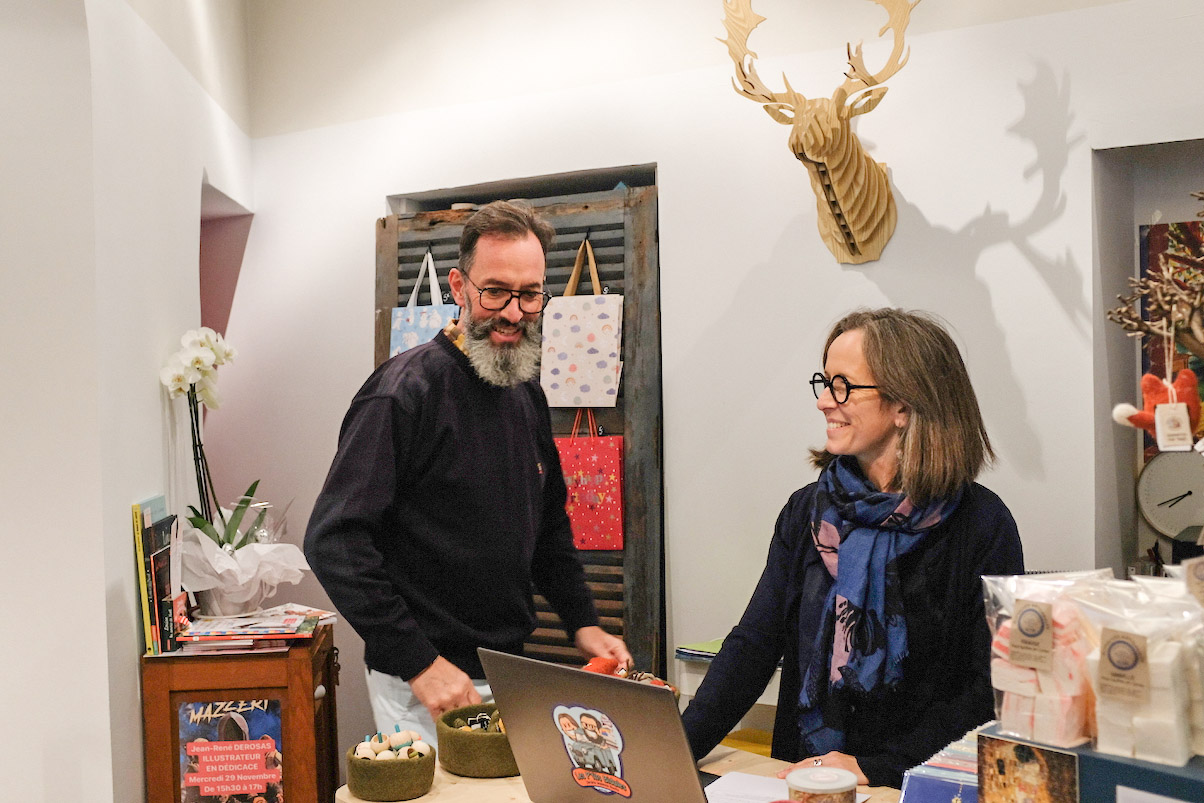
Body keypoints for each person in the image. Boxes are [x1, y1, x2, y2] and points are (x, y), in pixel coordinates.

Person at [304, 200, 630, 744]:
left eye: (530, 295)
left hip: (506, 668)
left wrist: (583, 621)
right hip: (424, 681)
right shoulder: (402, 394)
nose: (514, 313)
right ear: (459, 286)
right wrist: (420, 662)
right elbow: (334, 541)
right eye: (495, 291)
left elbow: (549, 528)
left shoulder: (525, 392)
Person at [681, 308, 1024, 788]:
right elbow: (753, 646)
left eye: (842, 386)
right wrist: (673, 750)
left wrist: (874, 768)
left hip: (912, 784)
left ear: (903, 405)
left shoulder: (982, 524)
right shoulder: (807, 510)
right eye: (824, 383)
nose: (824, 402)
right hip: (805, 779)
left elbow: (989, 691)